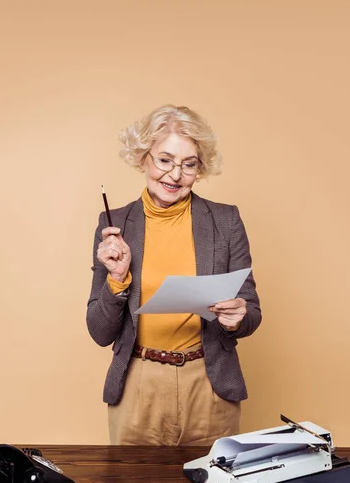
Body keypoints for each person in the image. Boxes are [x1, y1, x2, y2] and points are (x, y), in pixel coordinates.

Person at [86, 104, 261, 446]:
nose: (175, 175)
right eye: (165, 160)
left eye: (188, 164)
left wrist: (238, 316)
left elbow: (252, 314)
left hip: (209, 383)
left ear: (200, 168)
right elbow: (99, 332)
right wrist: (117, 280)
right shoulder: (114, 226)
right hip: (138, 383)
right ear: (143, 159)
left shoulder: (226, 222)